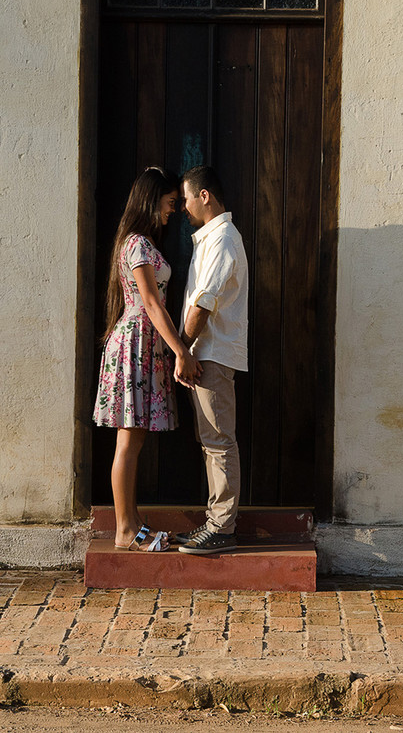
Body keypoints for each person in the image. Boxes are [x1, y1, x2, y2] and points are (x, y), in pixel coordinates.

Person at [94, 166, 201, 552]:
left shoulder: (141, 242)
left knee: (133, 440)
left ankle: (133, 523)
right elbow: (152, 304)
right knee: (128, 441)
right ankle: (125, 529)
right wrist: (181, 351)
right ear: (151, 200)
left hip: (143, 344)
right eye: (170, 202)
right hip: (135, 343)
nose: (173, 209)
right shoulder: (137, 244)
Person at [173, 166, 249, 555]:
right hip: (205, 354)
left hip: (211, 354)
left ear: (204, 196)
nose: (182, 207)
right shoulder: (212, 238)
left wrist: (182, 348)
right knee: (211, 441)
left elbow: (203, 303)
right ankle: (215, 522)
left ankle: (222, 529)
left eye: (185, 199)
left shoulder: (222, 238)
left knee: (219, 441)